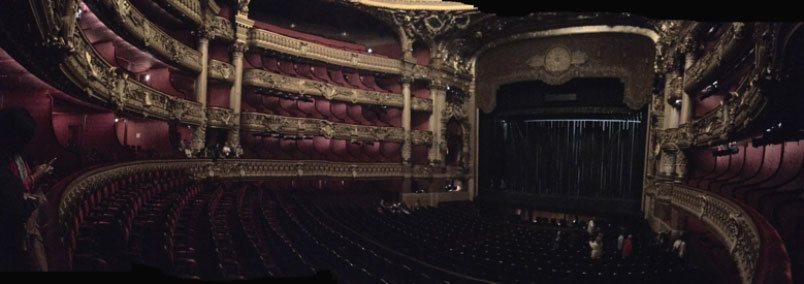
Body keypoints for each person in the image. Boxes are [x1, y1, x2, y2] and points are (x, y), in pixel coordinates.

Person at [0, 107, 49, 271]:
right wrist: (33, 203)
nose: (25, 146)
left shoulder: (9, 157)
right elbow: (14, 209)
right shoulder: (4, 163)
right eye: (23, 140)